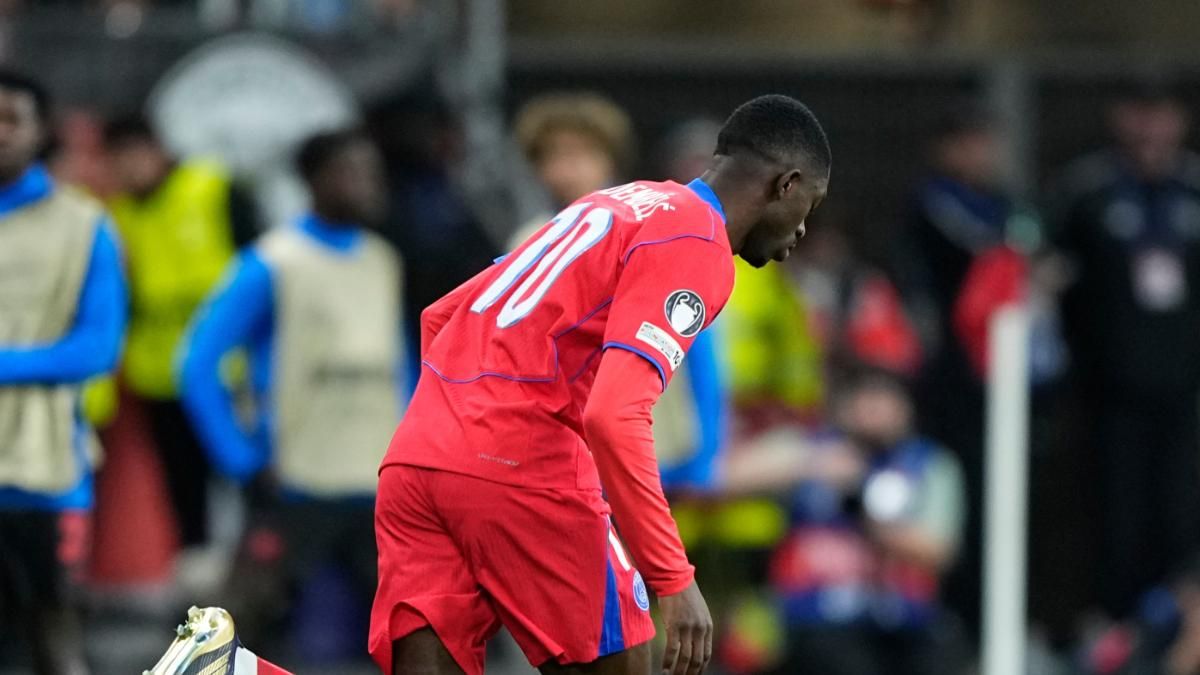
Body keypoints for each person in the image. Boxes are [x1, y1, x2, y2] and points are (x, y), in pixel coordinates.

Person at [369, 94, 831, 675]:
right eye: (810, 205)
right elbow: (614, 415)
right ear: (786, 185)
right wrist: (673, 577)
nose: (804, 228)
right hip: (522, 459)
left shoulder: (614, 204)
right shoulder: (695, 241)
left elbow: (444, 314)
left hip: (418, 456)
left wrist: (458, 437)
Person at [177, 129, 406, 663]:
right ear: (312, 179)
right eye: (351, 170)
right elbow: (198, 364)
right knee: (233, 634)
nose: (367, 184)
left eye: (372, 172)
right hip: (294, 480)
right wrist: (242, 458)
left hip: (375, 480)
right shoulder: (273, 262)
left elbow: (401, 367)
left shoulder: (381, 260)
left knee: (404, 631)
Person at [1050, 79, 1200, 620]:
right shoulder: (1085, 191)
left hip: (1187, 395)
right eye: (1140, 114)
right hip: (1108, 395)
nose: (1150, 129)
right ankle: (1116, 632)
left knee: (1183, 518)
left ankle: (1181, 640)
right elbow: (1045, 278)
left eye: (1162, 114)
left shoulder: (1194, 189)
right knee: (1116, 518)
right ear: (1120, 118)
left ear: (1179, 121)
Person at [0, 69, 127, 675]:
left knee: (54, 632)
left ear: (39, 131)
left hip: (47, 470)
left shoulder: (85, 226)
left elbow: (98, 349)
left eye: (11, 119)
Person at [740, 367, 966, 675]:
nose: (874, 409)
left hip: (900, 624)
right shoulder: (812, 450)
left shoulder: (928, 465)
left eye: (886, 398)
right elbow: (721, 475)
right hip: (810, 620)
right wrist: (808, 464)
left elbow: (939, 551)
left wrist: (867, 515)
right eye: (865, 396)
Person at [105, 116, 257, 549]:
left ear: (158, 149)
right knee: (181, 479)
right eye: (119, 161)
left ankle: (253, 571)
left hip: (228, 371)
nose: (130, 169)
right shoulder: (117, 215)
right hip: (159, 373)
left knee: (241, 470)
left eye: (135, 155)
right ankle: (197, 577)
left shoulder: (212, 188)